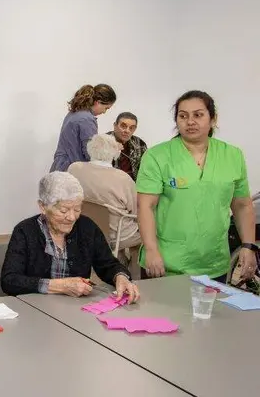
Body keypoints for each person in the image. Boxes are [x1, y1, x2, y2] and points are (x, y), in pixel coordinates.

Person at [137, 90, 258, 282]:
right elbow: (146, 206)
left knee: (209, 311)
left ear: (213, 119)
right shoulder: (157, 156)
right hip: (166, 261)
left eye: (198, 115)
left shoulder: (232, 155)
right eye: (183, 116)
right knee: (164, 311)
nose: (190, 121)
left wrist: (248, 245)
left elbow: (242, 205)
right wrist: (151, 250)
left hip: (213, 261)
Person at [0, 172, 139, 301]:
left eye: (77, 209)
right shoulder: (25, 231)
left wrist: (120, 277)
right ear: (43, 207)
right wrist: (60, 286)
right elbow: (10, 280)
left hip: (75, 310)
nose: (72, 217)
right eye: (63, 210)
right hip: (34, 308)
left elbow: (108, 264)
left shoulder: (87, 227)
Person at [68, 134, 141, 260]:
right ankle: (134, 271)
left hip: (81, 229)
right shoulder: (122, 178)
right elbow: (136, 211)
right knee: (150, 231)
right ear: (115, 153)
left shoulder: (74, 168)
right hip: (117, 236)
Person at [50, 84, 116, 172]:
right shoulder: (87, 120)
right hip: (72, 169)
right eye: (106, 108)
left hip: (60, 166)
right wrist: (112, 149)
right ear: (98, 102)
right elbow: (90, 152)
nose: (104, 112)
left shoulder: (74, 113)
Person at [107, 112, 147, 181]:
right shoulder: (103, 141)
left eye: (131, 128)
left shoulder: (140, 144)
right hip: (109, 184)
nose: (127, 131)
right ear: (115, 125)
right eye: (123, 126)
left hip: (132, 186)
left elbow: (145, 169)